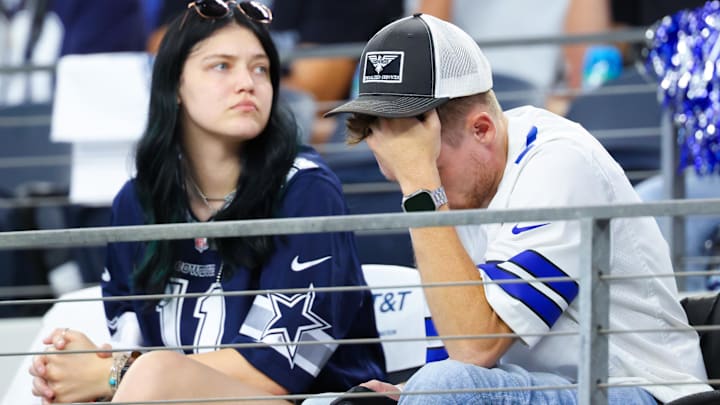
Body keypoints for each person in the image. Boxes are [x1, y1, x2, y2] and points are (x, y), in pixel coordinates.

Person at [325, 14, 712, 404]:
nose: (405, 179)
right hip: (544, 387)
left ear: (482, 130)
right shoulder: (451, 193)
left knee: (447, 386)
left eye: (424, 162)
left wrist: (422, 188)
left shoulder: (559, 162)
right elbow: (459, 358)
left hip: (640, 388)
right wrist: (405, 395)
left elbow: (474, 350)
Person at [28, 1, 385, 403]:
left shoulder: (306, 191)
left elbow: (275, 369)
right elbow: (132, 354)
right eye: (221, 66)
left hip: (310, 400)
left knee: (154, 373)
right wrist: (77, 365)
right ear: (173, 85)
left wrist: (113, 373)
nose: (247, 82)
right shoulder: (138, 200)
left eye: (260, 68)